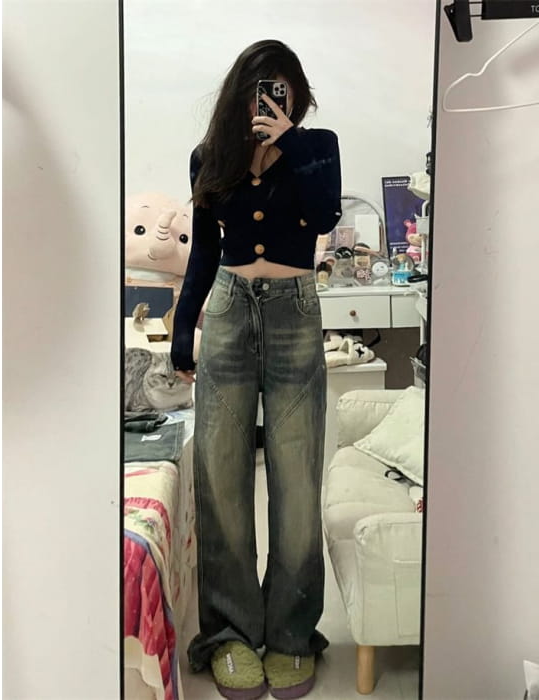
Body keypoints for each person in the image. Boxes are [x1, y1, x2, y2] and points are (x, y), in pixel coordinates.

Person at [171, 39, 342, 700]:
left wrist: (287, 139)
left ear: (296, 93)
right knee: (221, 477)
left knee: (296, 482)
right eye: (258, 88)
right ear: (239, 94)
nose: (268, 99)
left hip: (295, 311)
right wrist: (182, 330)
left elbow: (323, 214)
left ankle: (292, 634)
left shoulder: (317, 146)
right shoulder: (210, 156)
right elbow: (203, 253)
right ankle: (231, 634)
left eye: (280, 87)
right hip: (228, 310)